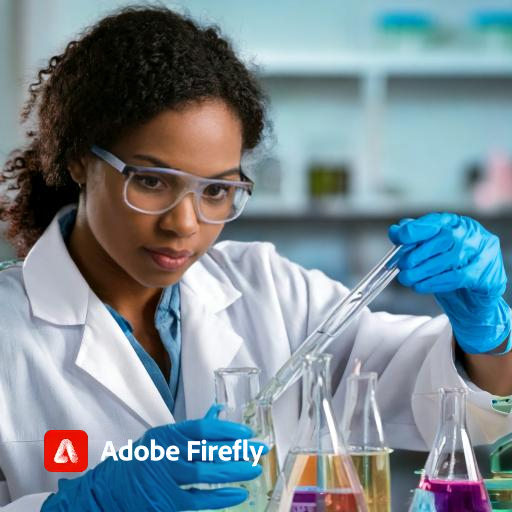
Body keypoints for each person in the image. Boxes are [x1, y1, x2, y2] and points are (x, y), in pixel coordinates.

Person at [0, 6, 511, 511]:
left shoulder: (272, 292)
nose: (185, 223)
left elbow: (447, 399)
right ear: (78, 160)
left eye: (217, 190)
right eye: (151, 181)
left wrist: (486, 335)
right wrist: (75, 507)